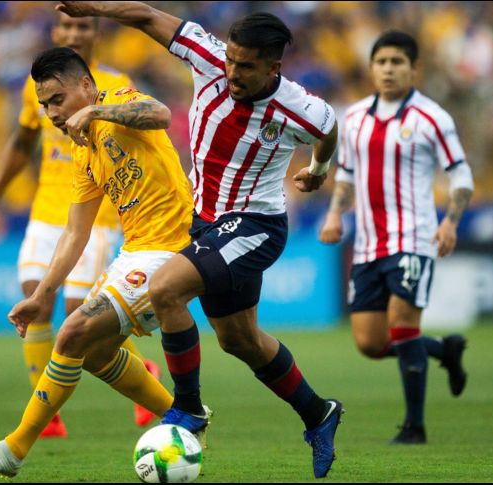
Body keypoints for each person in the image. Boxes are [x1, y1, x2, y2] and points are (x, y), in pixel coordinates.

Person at [57, 1, 343, 479]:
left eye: (246, 66)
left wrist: (317, 171)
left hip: (255, 224)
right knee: (240, 340)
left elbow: (329, 132)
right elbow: (148, 17)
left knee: (166, 288)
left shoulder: (302, 109)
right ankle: (320, 413)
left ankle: (187, 410)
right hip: (205, 222)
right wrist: (97, 7)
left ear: (274, 67)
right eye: (230, 59)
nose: (232, 71)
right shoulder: (207, 57)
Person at [0, 47, 196, 477]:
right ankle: (186, 415)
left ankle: (14, 450)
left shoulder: (118, 100)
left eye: (58, 99)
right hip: (138, 250)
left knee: (72, 332)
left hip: (174, 247)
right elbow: (75, 232)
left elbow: (159, 112)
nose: (51, 112)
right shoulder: (84, 154)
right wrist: (41, 297)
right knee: (92, 352)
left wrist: (96, 114)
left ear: (86, 87)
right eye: (44, 104)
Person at [0, 12, 160, 437]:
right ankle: (48, 416)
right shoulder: (34, 87)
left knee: (80, 312)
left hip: (96, 213)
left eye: (83, 28)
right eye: (66, 27)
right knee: (32, 298)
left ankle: (144, 371)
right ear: (55, 32)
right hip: (46, 208)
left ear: (98, 33)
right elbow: (22, 144)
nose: (74, 33)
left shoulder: (115, 82)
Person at [318, 31, 474, 444]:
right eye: (381, 61)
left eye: (397, 62)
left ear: (413, 68)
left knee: (404, 327)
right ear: (371, 68)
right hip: (368, 243)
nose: (388, 69)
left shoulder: (431, 118)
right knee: (370, 342)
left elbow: (460, 175)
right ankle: (444, 350)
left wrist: (450, 221)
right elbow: (347, 174)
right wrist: (335, 215)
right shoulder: (353, 118)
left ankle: (414, 427)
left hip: (414, 238)